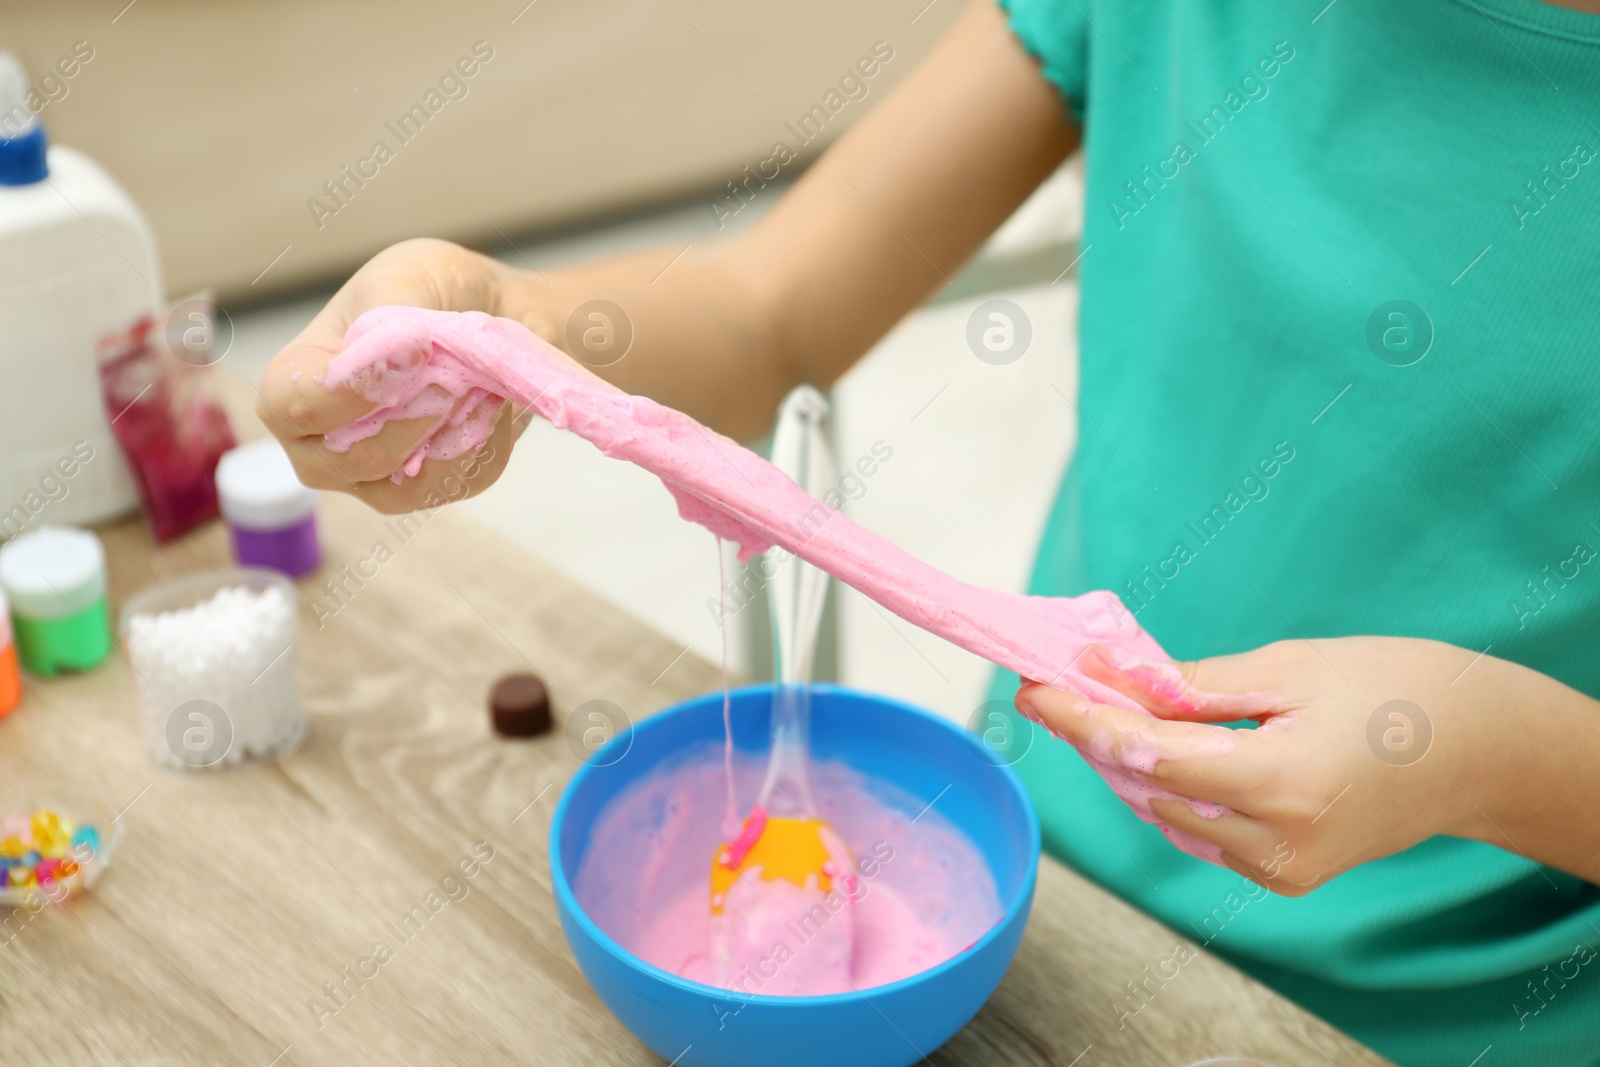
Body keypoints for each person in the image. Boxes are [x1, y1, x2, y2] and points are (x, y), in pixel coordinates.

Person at [260, 2, 1600, 1062]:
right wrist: (515, 324)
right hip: (1033, 887)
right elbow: (772, 314)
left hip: (1443, 1017)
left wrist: (1474, 750)